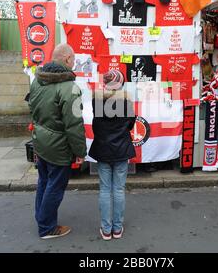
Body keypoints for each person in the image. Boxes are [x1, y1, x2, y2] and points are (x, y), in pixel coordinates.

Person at [28, 43, 87, 239]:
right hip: (58, 148)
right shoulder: (70, 88)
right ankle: (46, 227)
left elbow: (33, 110)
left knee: (44, 181)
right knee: (55, 186)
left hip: (41, 141)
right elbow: (74, 124)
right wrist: (80, 152)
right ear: (68, 59)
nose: (75, 62)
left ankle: (41, 217)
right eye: (74, 58)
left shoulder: (37, 81)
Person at [89, 70, 137, 241]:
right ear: (121, 83)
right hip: (121, 150)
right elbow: (130, 125)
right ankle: (117, 229)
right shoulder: (127, 103)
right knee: (118, 189)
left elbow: (97, 123)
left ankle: (106, 229)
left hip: (103, 150)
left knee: (105, 189)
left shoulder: (97, 101)